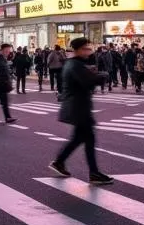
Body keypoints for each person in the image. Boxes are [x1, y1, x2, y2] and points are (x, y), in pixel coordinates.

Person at [48, 38, 113, 185]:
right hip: (78, 108)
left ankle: (60, 162)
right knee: (88, 138)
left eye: (88, 48)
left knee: (79, 139)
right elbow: (87, 81)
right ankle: (93, 173)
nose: (88, 51)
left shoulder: (74, 64)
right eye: (85, 49)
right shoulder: (75, 65)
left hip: (77, 107)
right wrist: (103, 76)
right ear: (77, 50)